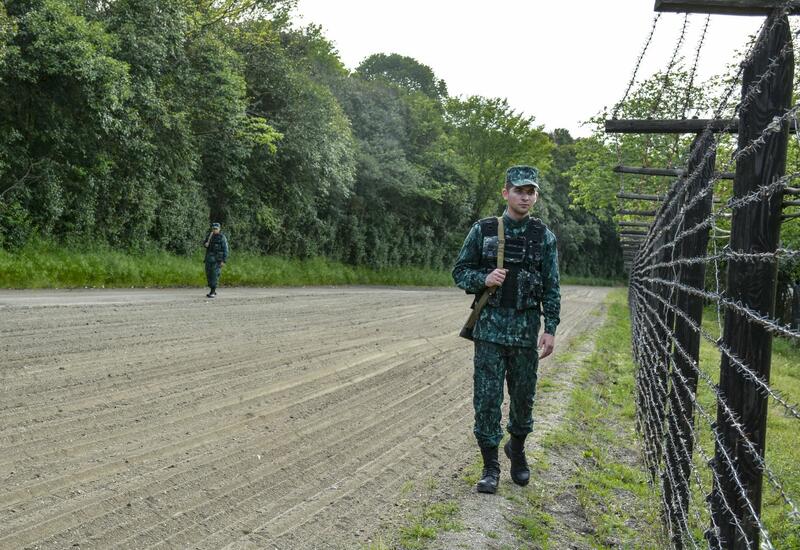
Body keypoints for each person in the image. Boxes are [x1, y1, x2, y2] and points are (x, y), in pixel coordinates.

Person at [452, 165, 561, 494]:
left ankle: (517, 448)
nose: (525, 197)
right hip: (489, 333)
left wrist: (550, 328)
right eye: (519, 191)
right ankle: (490, 467)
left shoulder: (544, 237)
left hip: (526, 334)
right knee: (487, 400)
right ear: (506, 193)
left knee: (523, 399)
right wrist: (483, 279)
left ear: (535, 196)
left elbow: (551, 287)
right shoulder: (484, 230)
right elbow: (460, 272)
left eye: (531, 192)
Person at [204, 222, 229, 298]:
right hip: (208, 259)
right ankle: (212, 290)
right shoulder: (210, 236)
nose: (214, 230)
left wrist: (223, 261)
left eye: (216, 229)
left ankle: (212, 291)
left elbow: (225, 250)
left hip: (217, 260)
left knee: (214, 275)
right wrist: (205, 244)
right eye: (213, 228)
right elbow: (205, 243)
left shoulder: (222, 237)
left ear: (219, 229)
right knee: (209, 274)